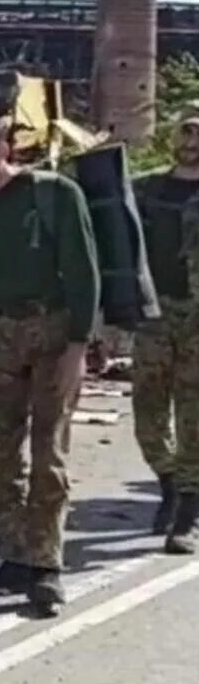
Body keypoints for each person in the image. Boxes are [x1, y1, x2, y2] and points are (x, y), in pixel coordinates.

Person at [0, 112, 100, 617]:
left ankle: (46, 566)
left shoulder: (53, 196)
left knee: (48, 451)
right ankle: (12, 554)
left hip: (52, 328)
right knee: (1, 452)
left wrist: (78, 348)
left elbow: (82, 270)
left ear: (4, 150)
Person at [131, 110, 199, 555]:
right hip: (154, 315)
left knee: (194, 416)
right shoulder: (145, 189)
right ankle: (170, 483)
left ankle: (187, 516)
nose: (192, 140)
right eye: (186, 130)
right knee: (148, 414)